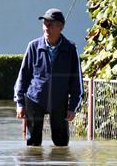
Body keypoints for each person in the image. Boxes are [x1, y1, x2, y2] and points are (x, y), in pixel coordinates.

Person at [13, 8, 83, 146]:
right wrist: (20, 103)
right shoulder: (33, 46)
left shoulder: (70, 49)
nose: (46, 27)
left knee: (61, 144)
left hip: (59, 101)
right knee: (33, 145)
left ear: (61, 27)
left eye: (50, 24)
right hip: (34, 99)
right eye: (45, 23)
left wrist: (73, 107)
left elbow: (77, 82)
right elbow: (23, 76)